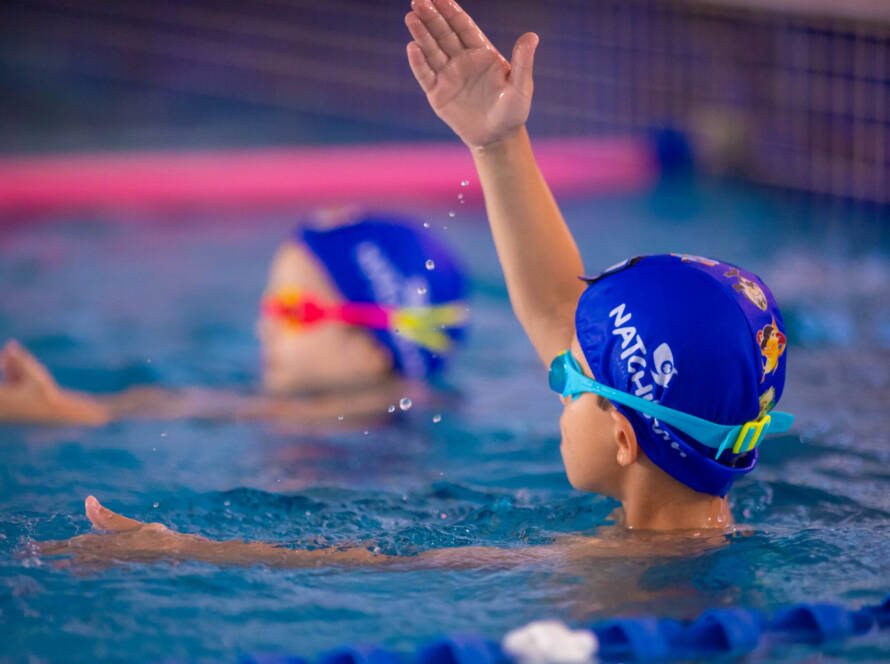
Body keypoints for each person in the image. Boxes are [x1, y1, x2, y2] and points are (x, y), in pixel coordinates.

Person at [37, 0, 793, 568]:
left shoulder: (614, 569)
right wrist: (496, 141)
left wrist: (177, 551)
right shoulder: (687, 489)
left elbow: (376, 572)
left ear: (624, 438)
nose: (554, 372)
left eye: (568, 377)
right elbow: (564, 310)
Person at [0, 210, 469, 425]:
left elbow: (222, 409)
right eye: (268, 308)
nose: (262, 328)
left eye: (291, 311)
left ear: (371, 352)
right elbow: (190, 402)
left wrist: (67, 413)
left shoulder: (351, 414)